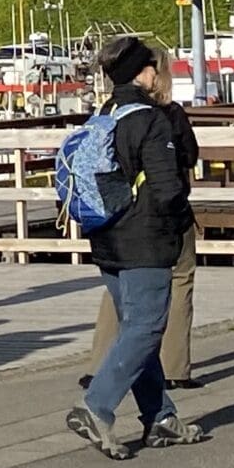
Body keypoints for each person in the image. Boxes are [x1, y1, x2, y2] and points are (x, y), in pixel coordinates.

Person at [67, 37, 207, 459]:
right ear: (142, 72)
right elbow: (167, 189)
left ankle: (160, 419)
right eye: (151, 66)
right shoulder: (152, 119)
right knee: (146, 328)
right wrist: (182, 223)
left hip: (105, 234)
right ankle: (97, 407)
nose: (154, 72)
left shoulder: (104, 114)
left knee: (134, 328)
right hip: (145, 239)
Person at [83, 94, 201, 391]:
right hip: (159, 218)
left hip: (117, 214)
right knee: (178, 282)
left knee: (118, 291)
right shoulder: (166, 114)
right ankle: (174, 367)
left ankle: (100, 364)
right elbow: (187, 157)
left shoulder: (111, 110)